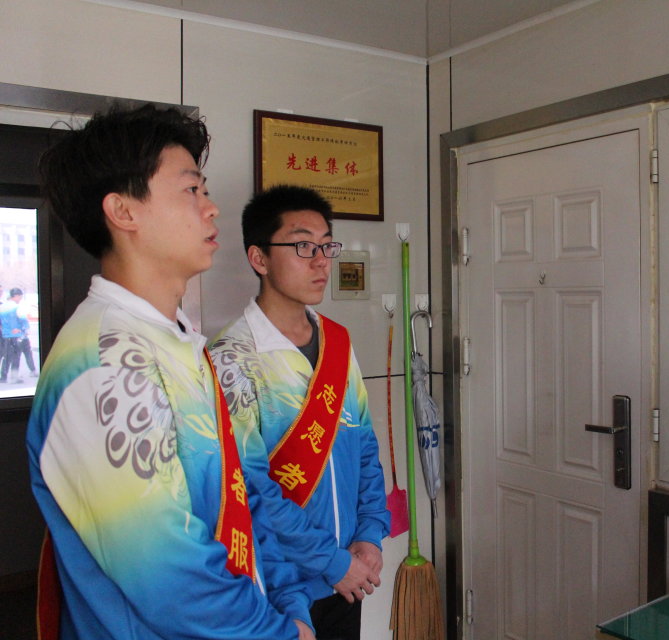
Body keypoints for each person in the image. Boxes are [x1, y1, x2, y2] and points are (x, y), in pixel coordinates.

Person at [27, 103, 315, 640]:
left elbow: (240, 498)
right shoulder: (103, 366)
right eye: (191, 190)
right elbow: (169, 580)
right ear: (123, 211)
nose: (211, 208)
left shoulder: (178, 343)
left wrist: (290, 604)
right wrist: (279, 632)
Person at [208, 185, 390, 640]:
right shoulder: (231, 358)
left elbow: (363, 445)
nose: (321, 261)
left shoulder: (337, 342)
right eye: (303, 246)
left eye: (327, 245)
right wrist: (332, 562)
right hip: (278, 583)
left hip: (348, 575)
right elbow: (250, 490)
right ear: (259, 258)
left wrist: (369, 534)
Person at [0, 287, 38, 383]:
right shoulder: (17, 308)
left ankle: (3, 377)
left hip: (6, 336)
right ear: (16, 296)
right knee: (16, 357)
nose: (20, 299)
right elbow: (23, 320)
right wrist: (26, 330)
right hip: (16, 336)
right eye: (20, 297)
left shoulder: (2, 307)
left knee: (7, 357)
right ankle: (14, 377)